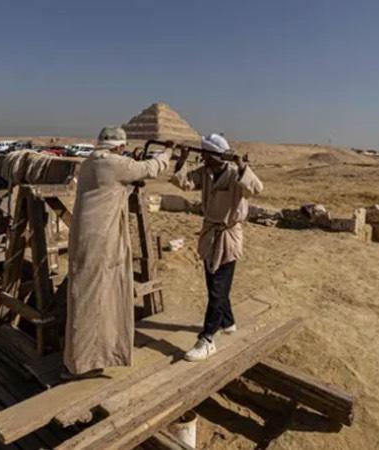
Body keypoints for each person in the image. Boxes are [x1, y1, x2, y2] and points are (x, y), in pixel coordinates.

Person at [62, 126, 173, 379]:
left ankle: (88, 358)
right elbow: (150, 169)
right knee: (94, 300)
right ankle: (82, 364)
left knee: (94, 297)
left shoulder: (93, 160)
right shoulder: (113, 163)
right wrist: (168, 152)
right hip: (101, 240)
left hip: (89, 237)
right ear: (118, 147)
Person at [171, 133, 263, 362]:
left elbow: (256, 188)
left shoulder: (234, 175)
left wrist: (242, 166)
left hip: (228, 236)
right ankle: (227, 321)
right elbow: (184, 182)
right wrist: (181, 160)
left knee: (217, 288)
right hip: (210, 235)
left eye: (205, 153)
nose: (202, 157)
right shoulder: (206, 173)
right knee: (214, 283)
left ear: (215, 155)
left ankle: (208, 339)